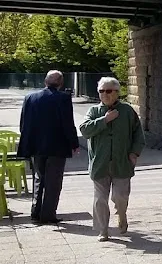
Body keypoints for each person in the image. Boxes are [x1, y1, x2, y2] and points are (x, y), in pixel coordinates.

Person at [79, 77, 144, 241]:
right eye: (101, 91)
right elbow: (84, 130)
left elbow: (139, 135)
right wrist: (105, 120)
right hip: (100, 163)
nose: (104, 94)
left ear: (117, 92)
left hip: (122, 163)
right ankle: (103, 230)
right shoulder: (93, 111)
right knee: (100, 199)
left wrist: (134, 153)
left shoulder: (128, 111)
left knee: (120, 197)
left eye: (108, 91)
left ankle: (122, 215)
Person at [18, 70, 80, 224]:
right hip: (56, 147)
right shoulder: (63, 98)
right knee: (53, 181)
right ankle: (48, 214)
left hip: (36, 146)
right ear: (60, 83)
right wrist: (74, 143)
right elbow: (68, 123)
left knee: (39, 178)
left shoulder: (30, 97)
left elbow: (23, 123)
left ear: (45, 82)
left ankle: (35, 211)